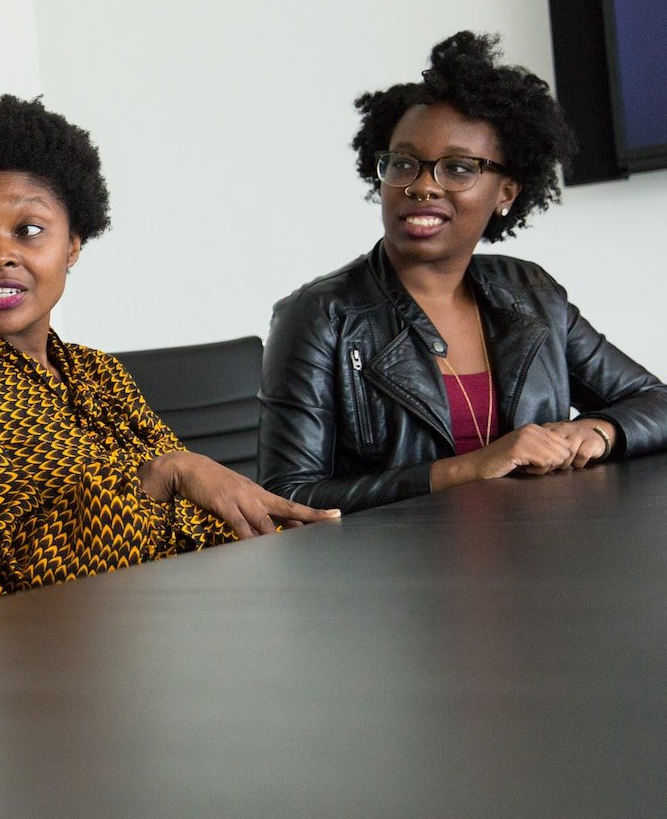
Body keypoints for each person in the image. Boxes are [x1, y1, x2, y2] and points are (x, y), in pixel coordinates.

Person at [0, 93, 336, 606]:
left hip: (180, 614)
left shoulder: (97, 372)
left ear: (73, 244)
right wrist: (159, 476)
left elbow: (193, 512)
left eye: (28, 230)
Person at [258, 31, 667, 512]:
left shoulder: (531, 294)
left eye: (457, 169)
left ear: (507, 193)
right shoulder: (321, 316)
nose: (423, 186)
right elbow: (284, 499)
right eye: (404, 164)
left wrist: (599, 430)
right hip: (397, 577)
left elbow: (654, 401)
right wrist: (467, 470)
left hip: (544, 556)